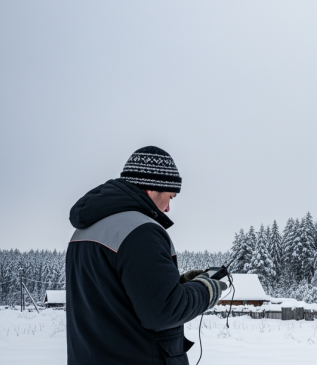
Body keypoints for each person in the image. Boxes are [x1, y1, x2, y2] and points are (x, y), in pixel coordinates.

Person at [66, 146, 227, 365]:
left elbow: (117, 298)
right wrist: (206, 290)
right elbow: (164, 312)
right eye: (170, 197)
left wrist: (178, 286)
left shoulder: (84, 230)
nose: (168, 208)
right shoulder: (141, 231)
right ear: (151, 188)